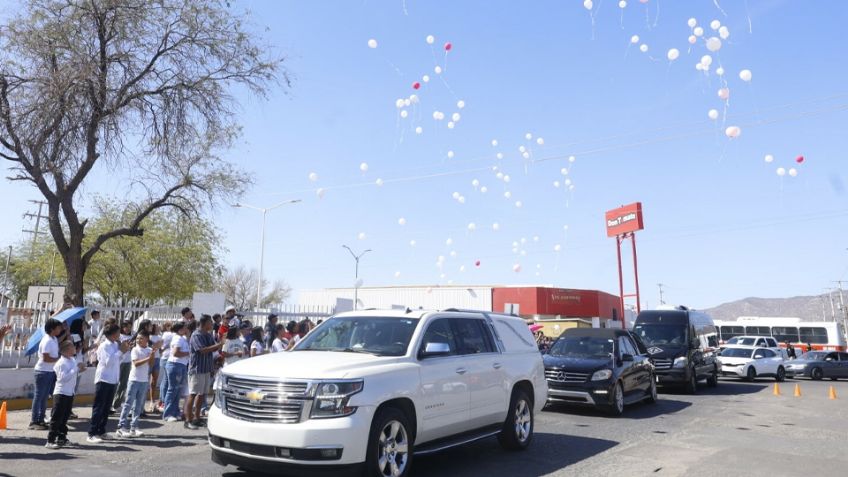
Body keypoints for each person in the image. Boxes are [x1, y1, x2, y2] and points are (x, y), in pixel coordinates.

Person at [87, 323, 131, 443]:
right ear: (112, 334)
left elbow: (118, 360)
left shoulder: (115, 345)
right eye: (117, 332)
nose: (119, 335)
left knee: (106, 408)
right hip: (103, 379)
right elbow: (108, 362)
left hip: (112, 379)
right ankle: (92, 433)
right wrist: (120, 351)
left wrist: (124, 351)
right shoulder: (104, 346)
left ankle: (101, 431)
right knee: (99, 407)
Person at [185, 315, 224, 430]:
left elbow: (214, 348)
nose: (212, 325)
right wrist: (219, 344)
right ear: (205, 323)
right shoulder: (196, 335)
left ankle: (197, 418)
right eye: (210, 323)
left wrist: (221, 342)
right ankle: (188, 420)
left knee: (201, 394)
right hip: (197, 369)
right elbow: (202, 350)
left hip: (206, 369)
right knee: (192, 394)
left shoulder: (207, 334)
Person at [116, 330, 155, 438]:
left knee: (138, 405)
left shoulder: (149, 349)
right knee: (128, 403)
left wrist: (152, 356)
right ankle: (121, 427)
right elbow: (136, 363)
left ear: (147, 339)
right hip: (134, 380)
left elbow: (151, 364)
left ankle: (134, 427)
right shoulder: (135, 350)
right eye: (138, 338)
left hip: (144, 380)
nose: (138, 340)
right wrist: (148, 357)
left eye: (141, 338)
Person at [46, 340, 85, 449]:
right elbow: (63, 379)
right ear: (66, 350)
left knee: (64, 418)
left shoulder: (72, 360)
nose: (74, 348)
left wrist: (80, 369)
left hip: (69, 393)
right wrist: (76, 368)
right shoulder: (61, 363)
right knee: (56, 417)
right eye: (72, 347)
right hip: (61, 393)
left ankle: (62, 438)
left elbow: (73, 373)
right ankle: (50, 440)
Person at [30, 318, 63, 430]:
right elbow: (46, 358)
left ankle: (40, 419)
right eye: (58, 327)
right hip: (42, 372)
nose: (60, 329)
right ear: (52, 329)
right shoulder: (47, 340)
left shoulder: (53, 339)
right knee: (39, 397)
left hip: (49, 371)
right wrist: (58, 358)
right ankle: (34, 421)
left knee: (44, 398)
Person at [163, 322, 190, 422]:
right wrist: (188, 353)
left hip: (181, 365)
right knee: (173, 389)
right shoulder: (177, 338)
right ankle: (168, 414)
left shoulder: (182, 338)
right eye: (185, 327)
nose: (187, 329)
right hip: (175, 365)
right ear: (180, 329)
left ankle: (175, 412)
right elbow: (175, 353)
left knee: (177, 390)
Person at [111, 320, 134, 412]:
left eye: (130, 327)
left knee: (123, 384)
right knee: (115, 383)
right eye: (126, 326)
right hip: (119, 362)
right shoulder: (118, 337)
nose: (128, 329)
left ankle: (117, 404)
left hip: (128, 361)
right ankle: (110, 404)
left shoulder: (133, 336)